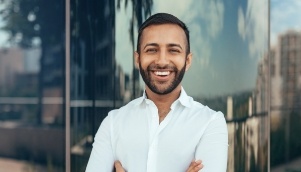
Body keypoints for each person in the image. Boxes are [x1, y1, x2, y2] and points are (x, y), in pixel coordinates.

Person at [86, 13, 228, 172]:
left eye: (173, 50)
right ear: (137, 59)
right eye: (152, 50)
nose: (161, 61)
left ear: (187, 61)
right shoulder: (112, 124)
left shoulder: (210, 123)